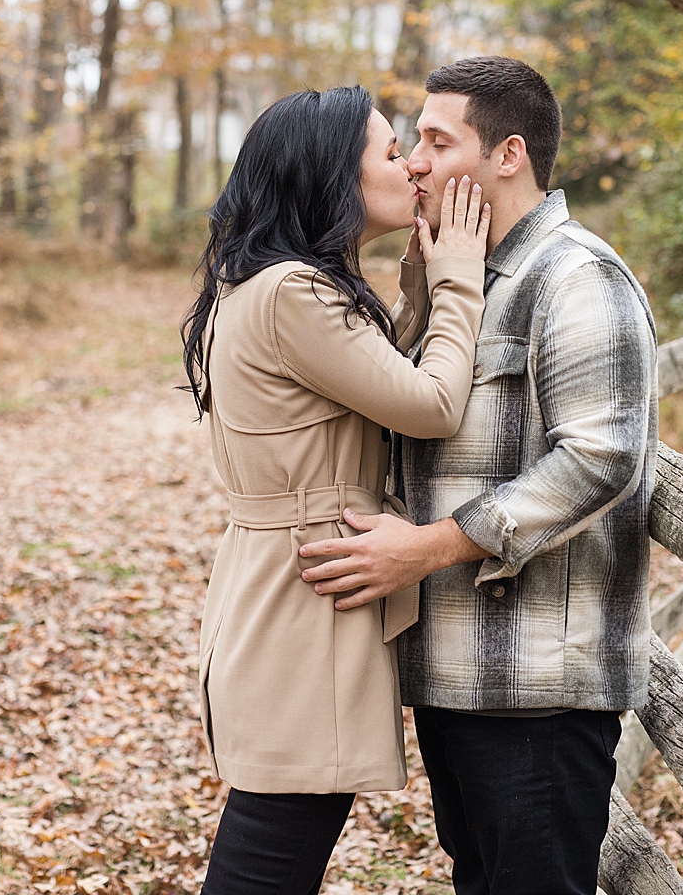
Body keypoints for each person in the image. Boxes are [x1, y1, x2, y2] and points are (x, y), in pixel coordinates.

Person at [297, 56, 658, 895]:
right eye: (413, 142)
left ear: (509, 155)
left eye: (436, 140)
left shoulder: (577, 277)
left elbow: (601, 456)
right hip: (454, 672)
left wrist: (425, 549)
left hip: (539, 685)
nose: (414, 161)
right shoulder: (458, 274)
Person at [180, 84, 493, 895]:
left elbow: (380, 380)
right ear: (332, 179)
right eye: (391, 154)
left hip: (284, 582)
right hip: (302, 599)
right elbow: (430, 405)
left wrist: (422, 276)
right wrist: (461, 279)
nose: (413, 168)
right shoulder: (293, 292)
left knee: (275, 844)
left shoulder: (266, 285)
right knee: (271, 855)